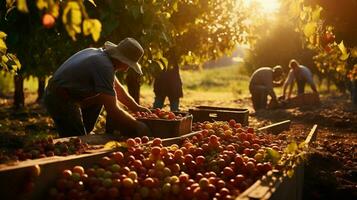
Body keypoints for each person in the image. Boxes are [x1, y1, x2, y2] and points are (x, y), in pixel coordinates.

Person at [43, 38, 151, 137]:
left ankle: (84, 133)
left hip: (68, 94)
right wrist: (138, 126)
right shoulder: (104, 66)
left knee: (102, 97)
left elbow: (117, 89)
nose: (127, 69)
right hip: (59, 98)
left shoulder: (101, 56)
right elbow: (113, 110)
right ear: (122, 60)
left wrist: (136, 107)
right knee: (76, 139)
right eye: (128, 64)